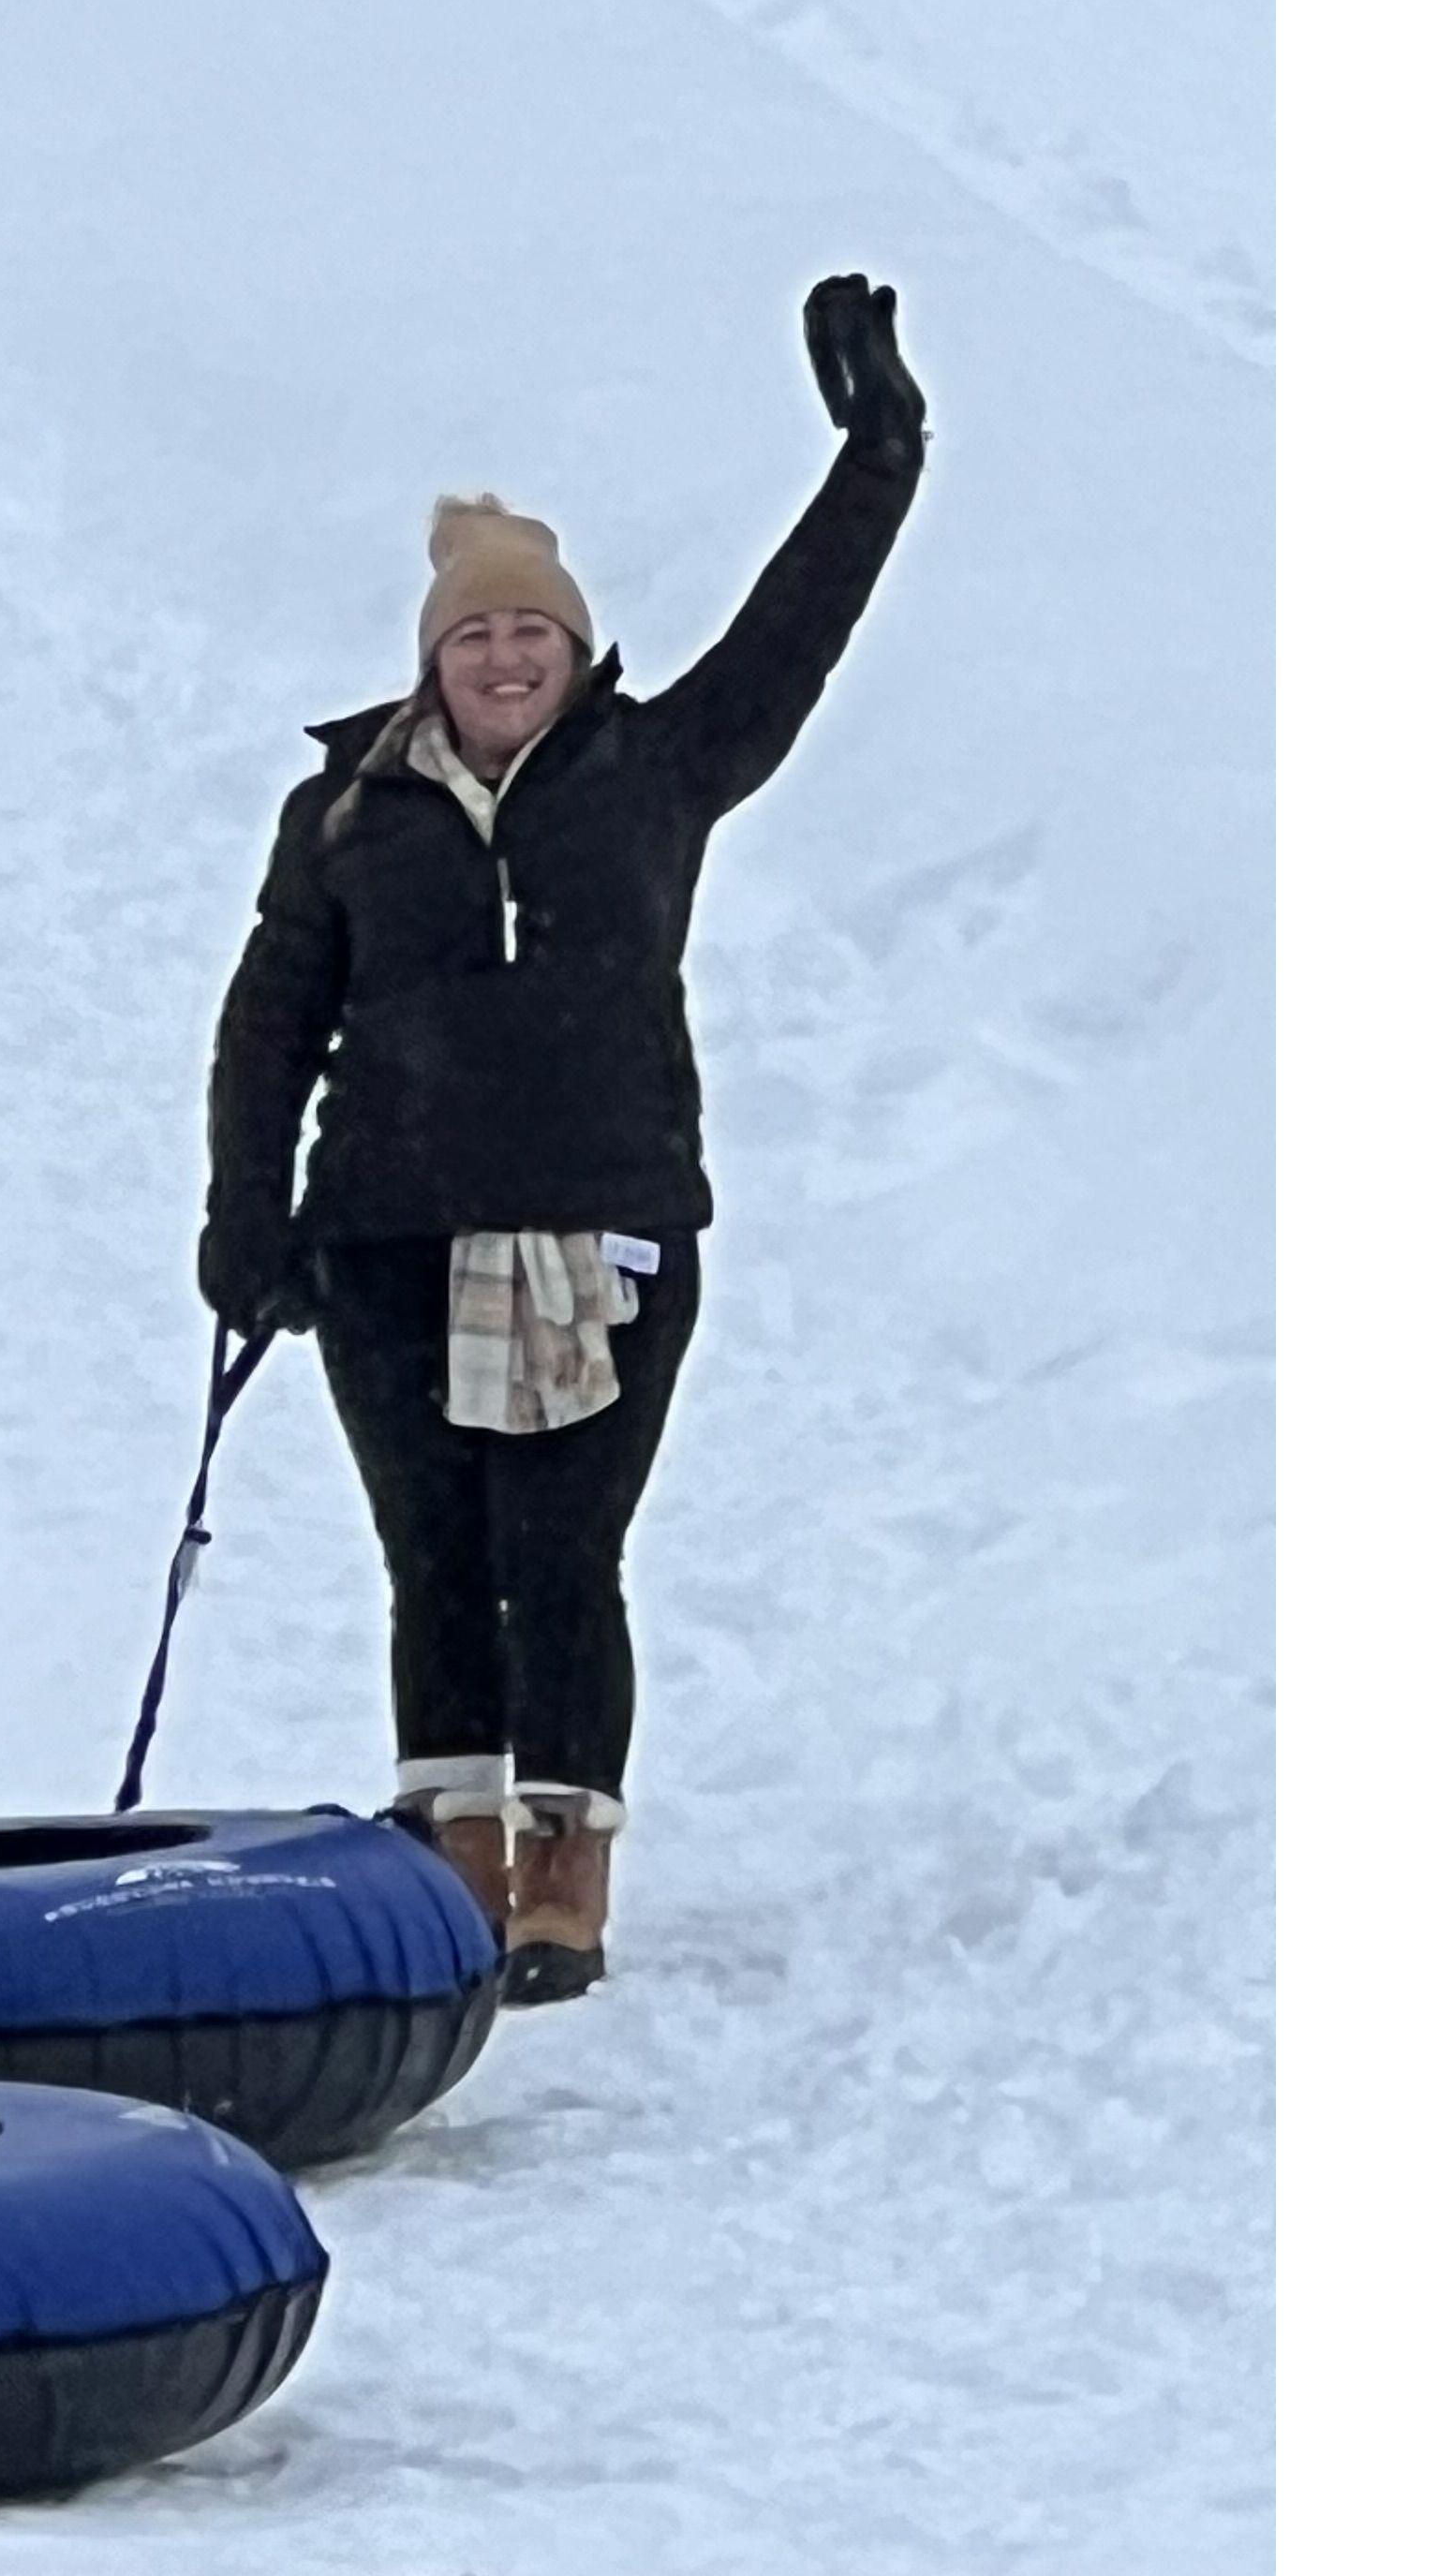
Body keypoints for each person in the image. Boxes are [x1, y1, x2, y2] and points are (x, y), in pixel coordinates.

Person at [200, 276, 925, 2006]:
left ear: (573, 646)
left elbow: (791, 630)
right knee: (433, 1555)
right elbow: (269, 1015)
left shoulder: (655, 766)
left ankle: (560, 1870)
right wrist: (247, 1213)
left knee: (559, 1553)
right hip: (386, 1233)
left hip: (601, 1233)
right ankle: (450, 1864)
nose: (503, 657)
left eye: (530, 633)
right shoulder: (348, 810)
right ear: (427, 657)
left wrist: (878, 453)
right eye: (471, 635)